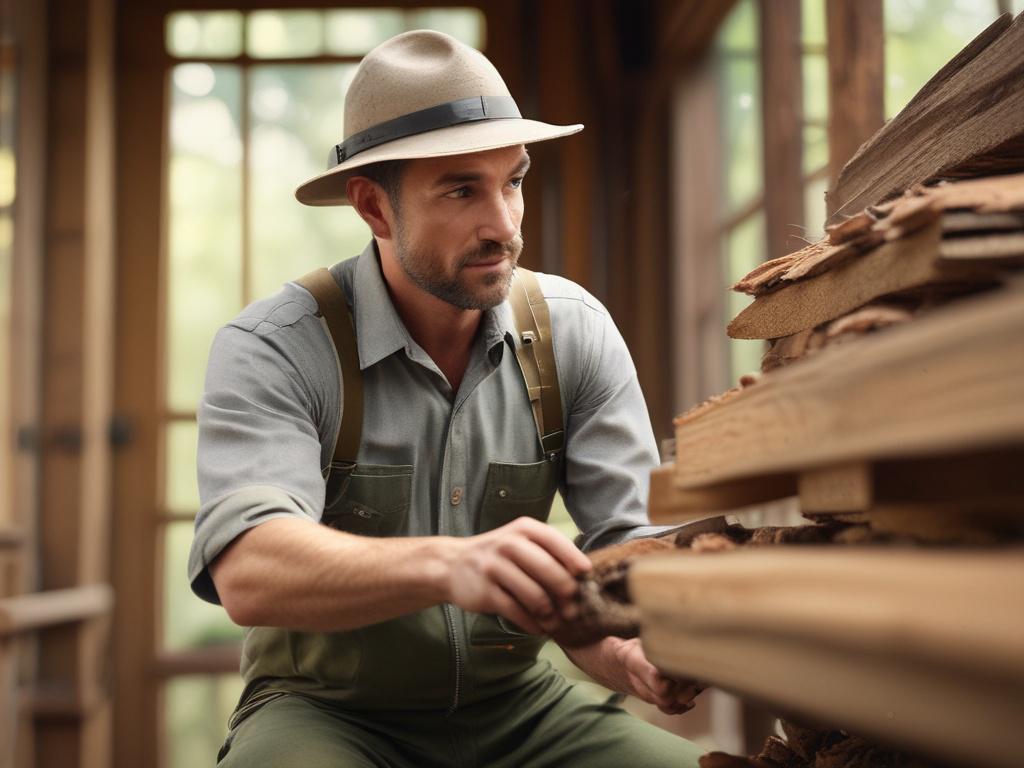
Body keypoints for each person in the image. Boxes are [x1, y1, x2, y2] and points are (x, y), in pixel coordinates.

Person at [189, 28, 705, 767]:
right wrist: (449, 565)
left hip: (522, 711)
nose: (503, 224)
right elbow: (248, 569)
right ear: (374, 207)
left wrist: (628, 654)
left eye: (514, 181)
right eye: (462, 189)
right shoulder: (275, 347)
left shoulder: (574, 333)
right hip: (326, 716)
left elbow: (627, 554)